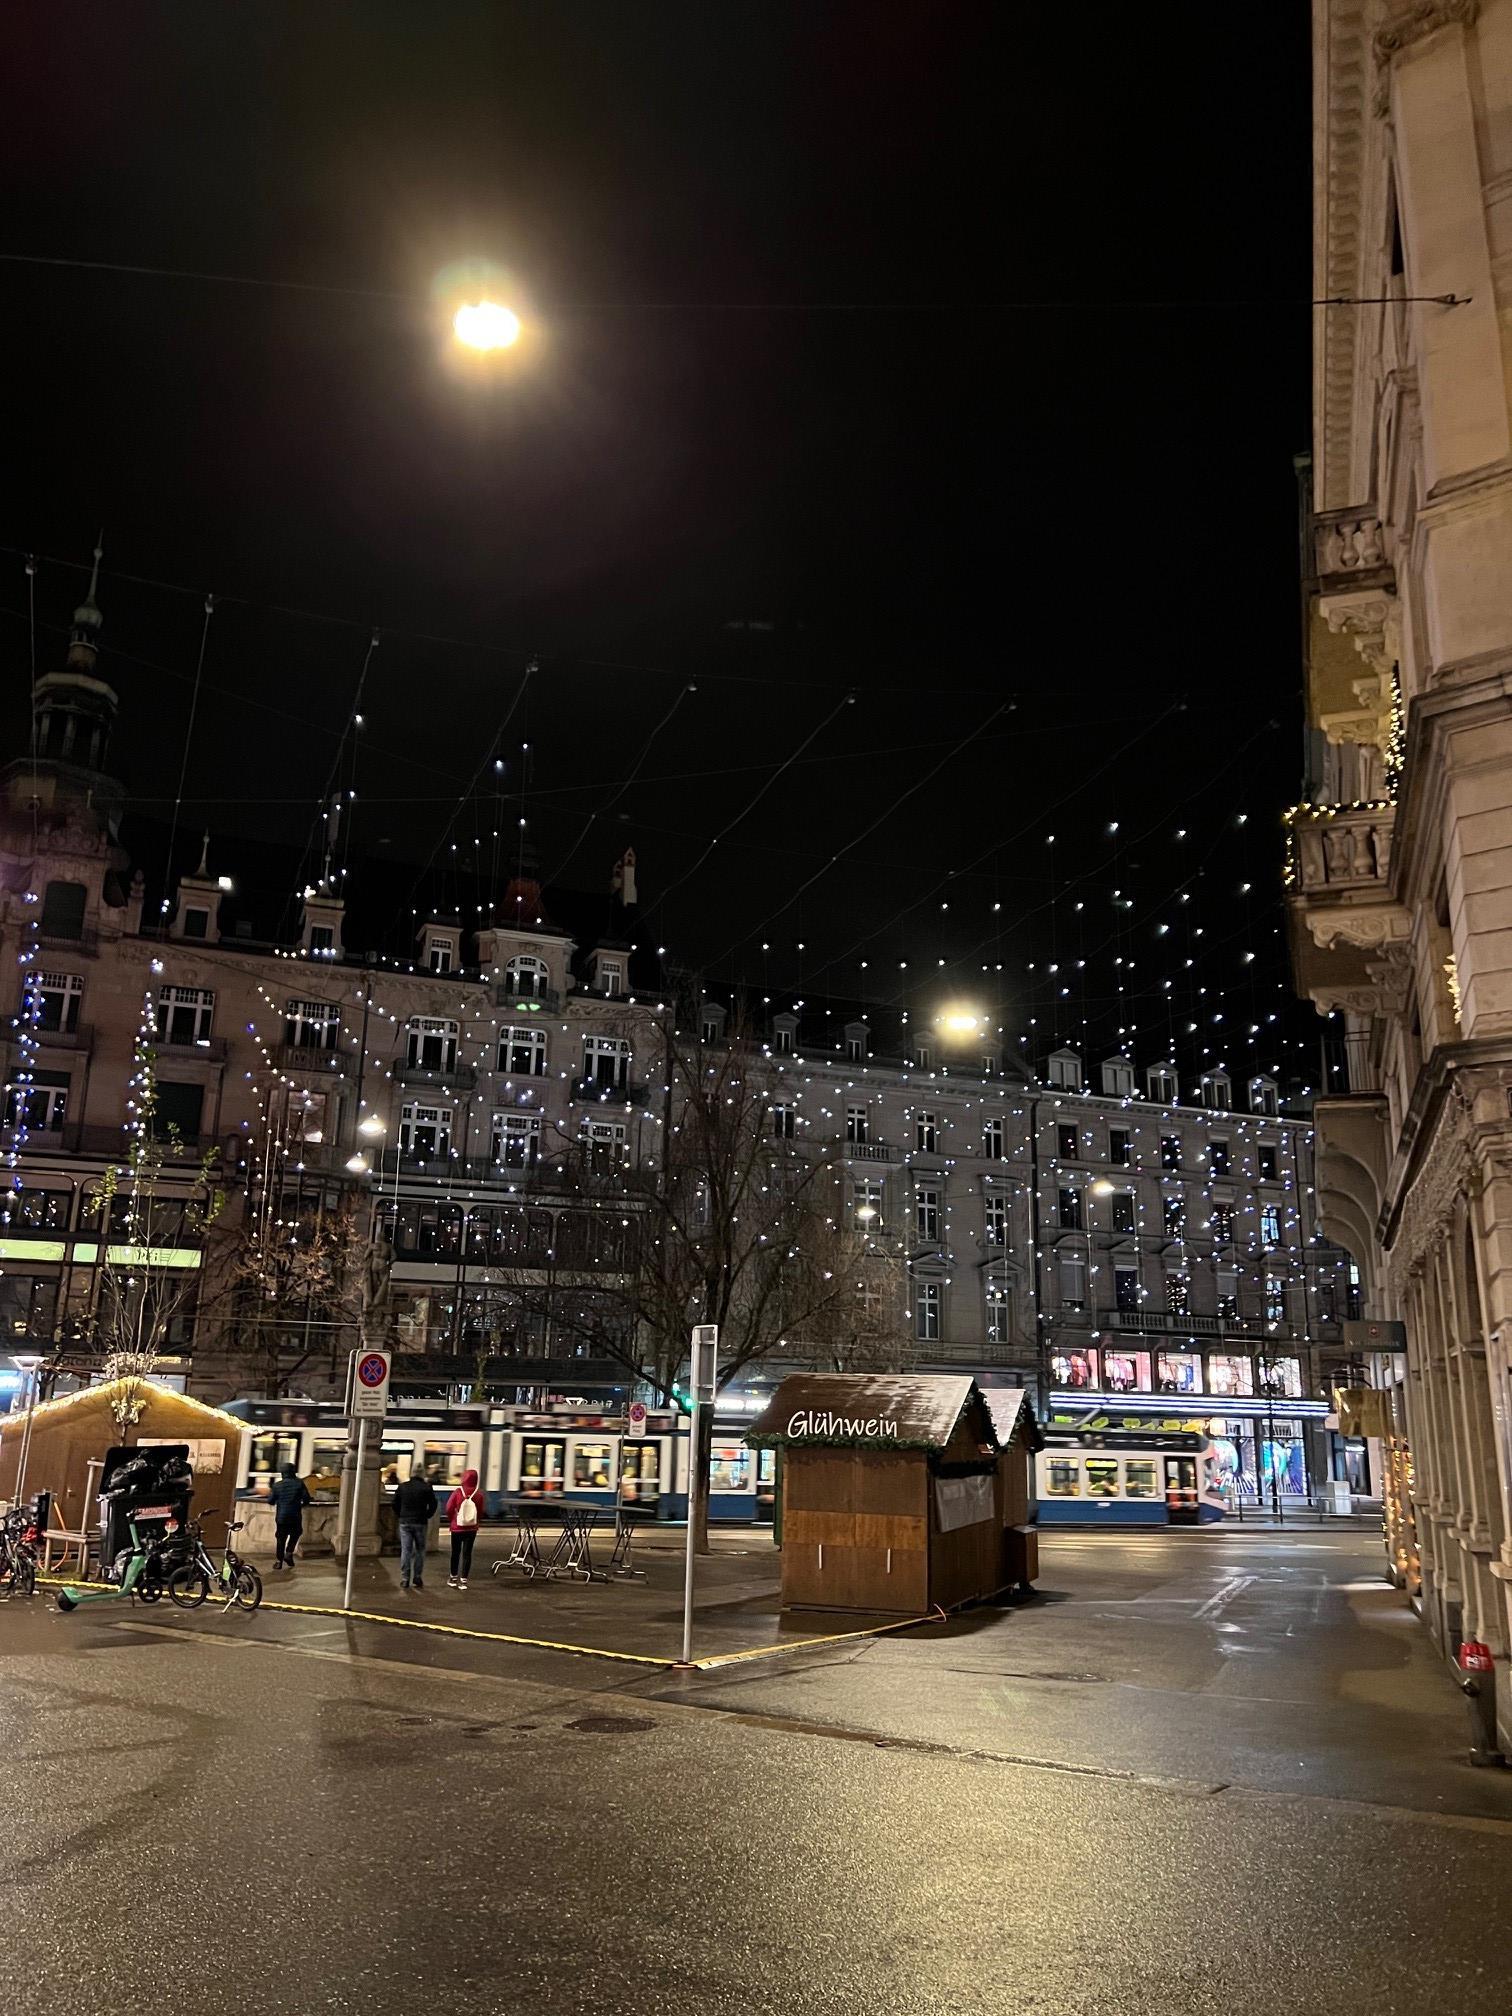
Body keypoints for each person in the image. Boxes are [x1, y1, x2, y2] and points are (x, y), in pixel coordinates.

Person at [393, 1466, 438, 1591]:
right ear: (422, 1474)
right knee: (420, 1550)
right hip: (420, 1522)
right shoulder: (426, 1487)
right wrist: (427, 1515)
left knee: (406, 1550)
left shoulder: (402, 1487)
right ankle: (417, 1577)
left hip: (405, 1522)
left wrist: (400, 1515)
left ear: (411, 1474)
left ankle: (405, 1579)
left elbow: (395, 1504)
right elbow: (433, 1505)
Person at [444, 1467, 484, 1589]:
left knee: (455, 1553)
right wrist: (476, 1522)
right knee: (467, 1554)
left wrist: (452, 1520)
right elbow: (481, 1512)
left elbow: (448, 1508)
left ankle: (453, 1578)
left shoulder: (458, 1492)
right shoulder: (479, 1494)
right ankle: (464, 1581)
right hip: (471, 1529)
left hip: (457, 1528)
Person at [268, 1463, 312, 1570]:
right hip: (295, 1516)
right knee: (296, 1533)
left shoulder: (277, 1485)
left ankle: (279, 1561)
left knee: (280, 1538)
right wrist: (301, 1505)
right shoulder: (299, 1483)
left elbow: (271, 1501)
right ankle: (289, 1552)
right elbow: (306, 1498)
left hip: (282, 1517)